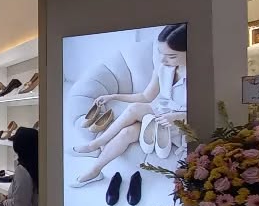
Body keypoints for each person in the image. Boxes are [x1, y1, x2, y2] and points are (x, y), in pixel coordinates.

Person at [70, 23, 187, 186]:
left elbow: (204, 114)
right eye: (161, 53)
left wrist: (177, 117)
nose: (162, 59)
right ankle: (95, 168)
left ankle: (95, 145)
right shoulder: (163, 68)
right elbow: (146, 96)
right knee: (127, 131)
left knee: (135, 110)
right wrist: (113, 96)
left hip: (181, 125)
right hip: (159, 115)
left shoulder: (201, 76)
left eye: (171, 56)